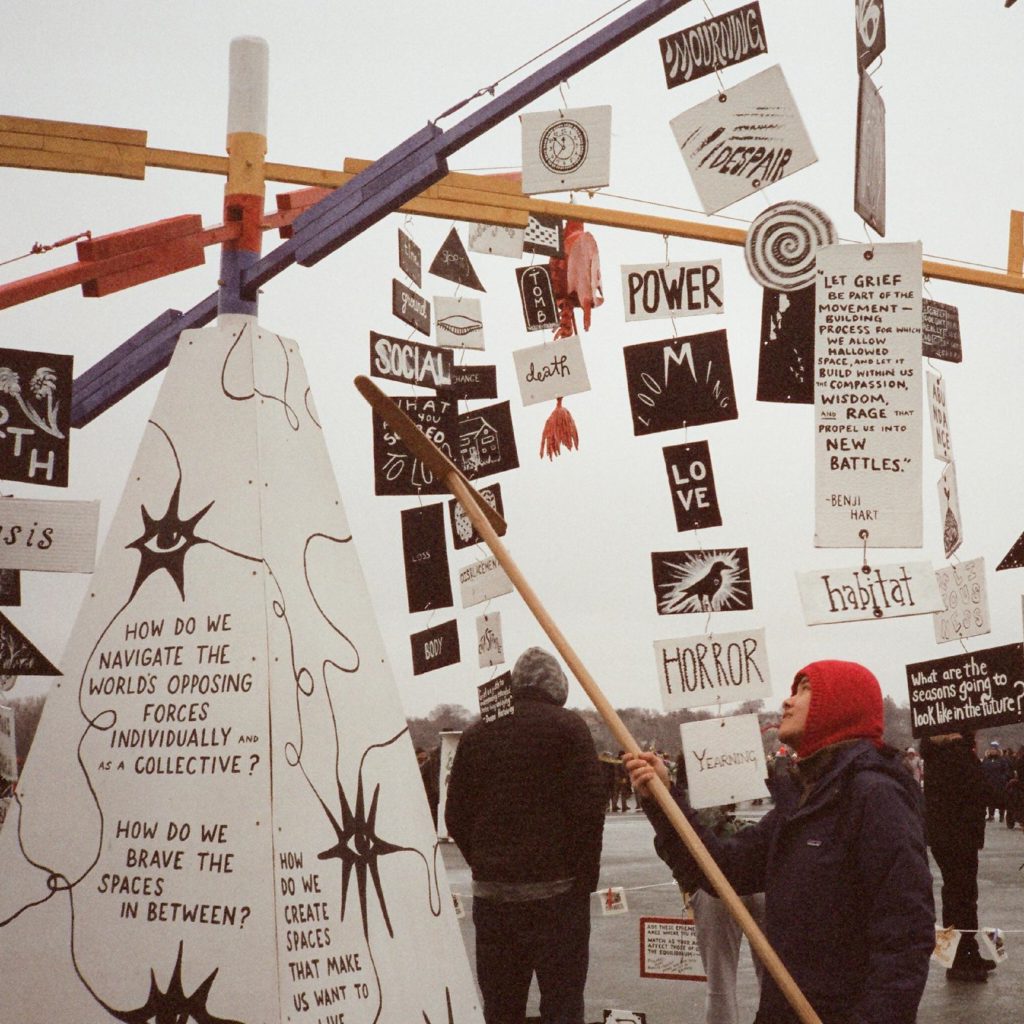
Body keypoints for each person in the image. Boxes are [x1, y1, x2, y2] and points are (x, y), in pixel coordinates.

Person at [626, 660, 935, 1024]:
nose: (788, 702)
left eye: (805, 690)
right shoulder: (803, 799)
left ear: (839, 707)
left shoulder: (876, 795)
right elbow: (725, 869)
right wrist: (664, 800)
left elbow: (906, 936)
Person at [445, 647, 606, 1024]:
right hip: (557, 896)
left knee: (501, 1008)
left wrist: (484, 861)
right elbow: (589, 813)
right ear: (558, 687)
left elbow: (455, 815)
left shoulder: (475, 734)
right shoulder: (569, 728)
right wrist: (583, 881)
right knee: (562, 1006)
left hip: (494, 897)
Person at [664, 757, 766, 1024]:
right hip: (757, 873)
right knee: (771, 980)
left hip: (712, 884)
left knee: (720, 984)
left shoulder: (686, 803)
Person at [919, 731, 993, 983]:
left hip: (946, 834)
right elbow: (979, 788)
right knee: (962, 895)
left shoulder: (935, 755)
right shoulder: (957, 755)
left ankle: (958, 955)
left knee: (954, 893)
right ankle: (962, 957)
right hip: (959, 834)